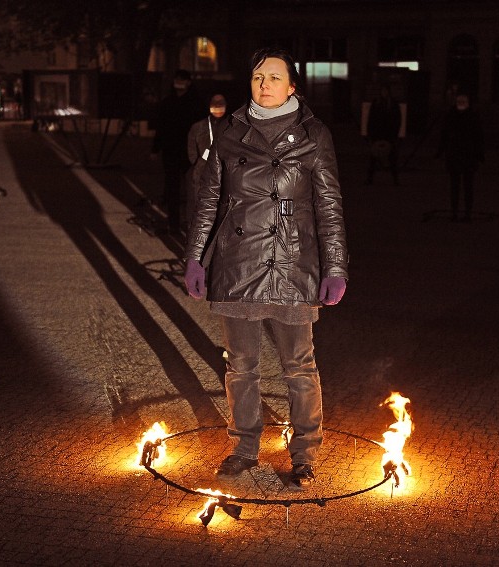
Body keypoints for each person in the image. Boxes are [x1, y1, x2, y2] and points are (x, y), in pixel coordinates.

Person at [183, 47, 348, 490]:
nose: (264, 84)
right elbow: (209, 203)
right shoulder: (230, 132)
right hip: (237, 265)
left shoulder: (314, 134)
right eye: (258, 76)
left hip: (293, 263)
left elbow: (329, 205)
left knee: (299, 364)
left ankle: (305, 453)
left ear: (292, 85)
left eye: (274, 77)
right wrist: (196, 257)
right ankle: (243, 447)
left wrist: (335, 266)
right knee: (241, 366)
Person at [150, 69, 205, 234]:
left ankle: (191, 224)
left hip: (190, 153)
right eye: (177, 79)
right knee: (172, 189)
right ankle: (173, 224)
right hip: (171, 151)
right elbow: (161, 127)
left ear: (188, 82)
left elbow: (202, 130)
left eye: (182, 79)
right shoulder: (168, 102)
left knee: (192, 190)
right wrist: (155, 149)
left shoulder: (196, 103)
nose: (178, 82)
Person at [436, 93, 484, 222]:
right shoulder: (451, 116)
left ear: (468, 102)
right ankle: (454, 212)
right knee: (455, 186)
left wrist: (479, 155)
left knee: (468, 186)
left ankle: (467, 213)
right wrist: (440, 151)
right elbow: (444, 135)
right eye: (459, 101)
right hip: (455, 155)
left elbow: (478, 137)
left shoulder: (473, 117)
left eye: (463, 100)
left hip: (468, 155)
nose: (461, 103)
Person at [184, 93, 227, 236]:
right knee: (197, 212)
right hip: (201, 174)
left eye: (221, 104)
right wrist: (199, 163)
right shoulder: (198, 127)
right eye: (215, 104)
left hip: (223, 175)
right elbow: (190, 150)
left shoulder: (231, 126)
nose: (218, 108)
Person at [364, 85, 403, 186]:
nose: (384, 93)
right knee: (374, 157)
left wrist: (395, 134)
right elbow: (371, 119)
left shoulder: (392, 104)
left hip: (388, 135)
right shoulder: (377, 103)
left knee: (392, 157)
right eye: (383, 91)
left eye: (386, 91)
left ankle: (395, 179)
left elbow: (397, 120)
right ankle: (370, 179)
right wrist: (370, 134)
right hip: (378, 134)